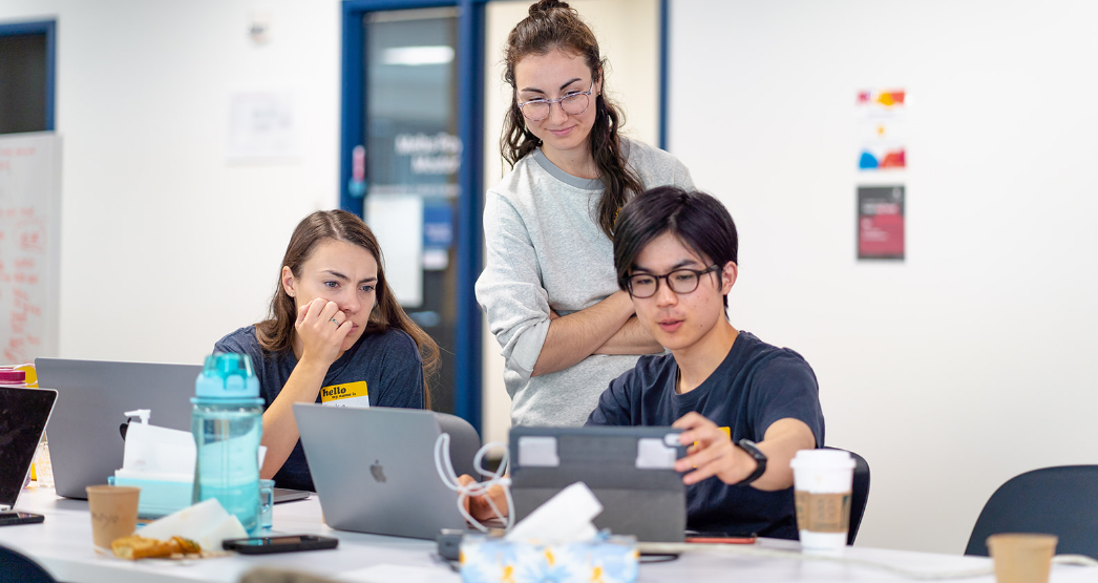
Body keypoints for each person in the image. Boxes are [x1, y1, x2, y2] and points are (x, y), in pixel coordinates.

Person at [466, 187, 824, 539]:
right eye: (644, 281)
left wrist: (744, 460)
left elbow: (793, 447)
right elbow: (572, 474)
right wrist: (487, 502)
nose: (664, 299)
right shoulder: (636, 388)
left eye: (684, 278)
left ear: (726, 277)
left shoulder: (775, 372)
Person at [475, 0, 695, 428]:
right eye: (535, 100)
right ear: (518, 101)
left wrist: (569, 332)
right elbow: (531, 351)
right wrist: (635, 296)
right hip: (556, 435)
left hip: (662, 426)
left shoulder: (663, 176)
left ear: (597, 80)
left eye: (572, 92)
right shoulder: (510, 203)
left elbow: (698, 317)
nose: (557, 115)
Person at [214, 210, 440, 492]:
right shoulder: (239, 356)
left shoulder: (391, 353)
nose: (353, 304)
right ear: (290, 283)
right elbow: (240, 474)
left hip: (355, 526)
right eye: (333, 284)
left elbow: (401, 482)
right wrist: (314, 361)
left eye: (366, 287)